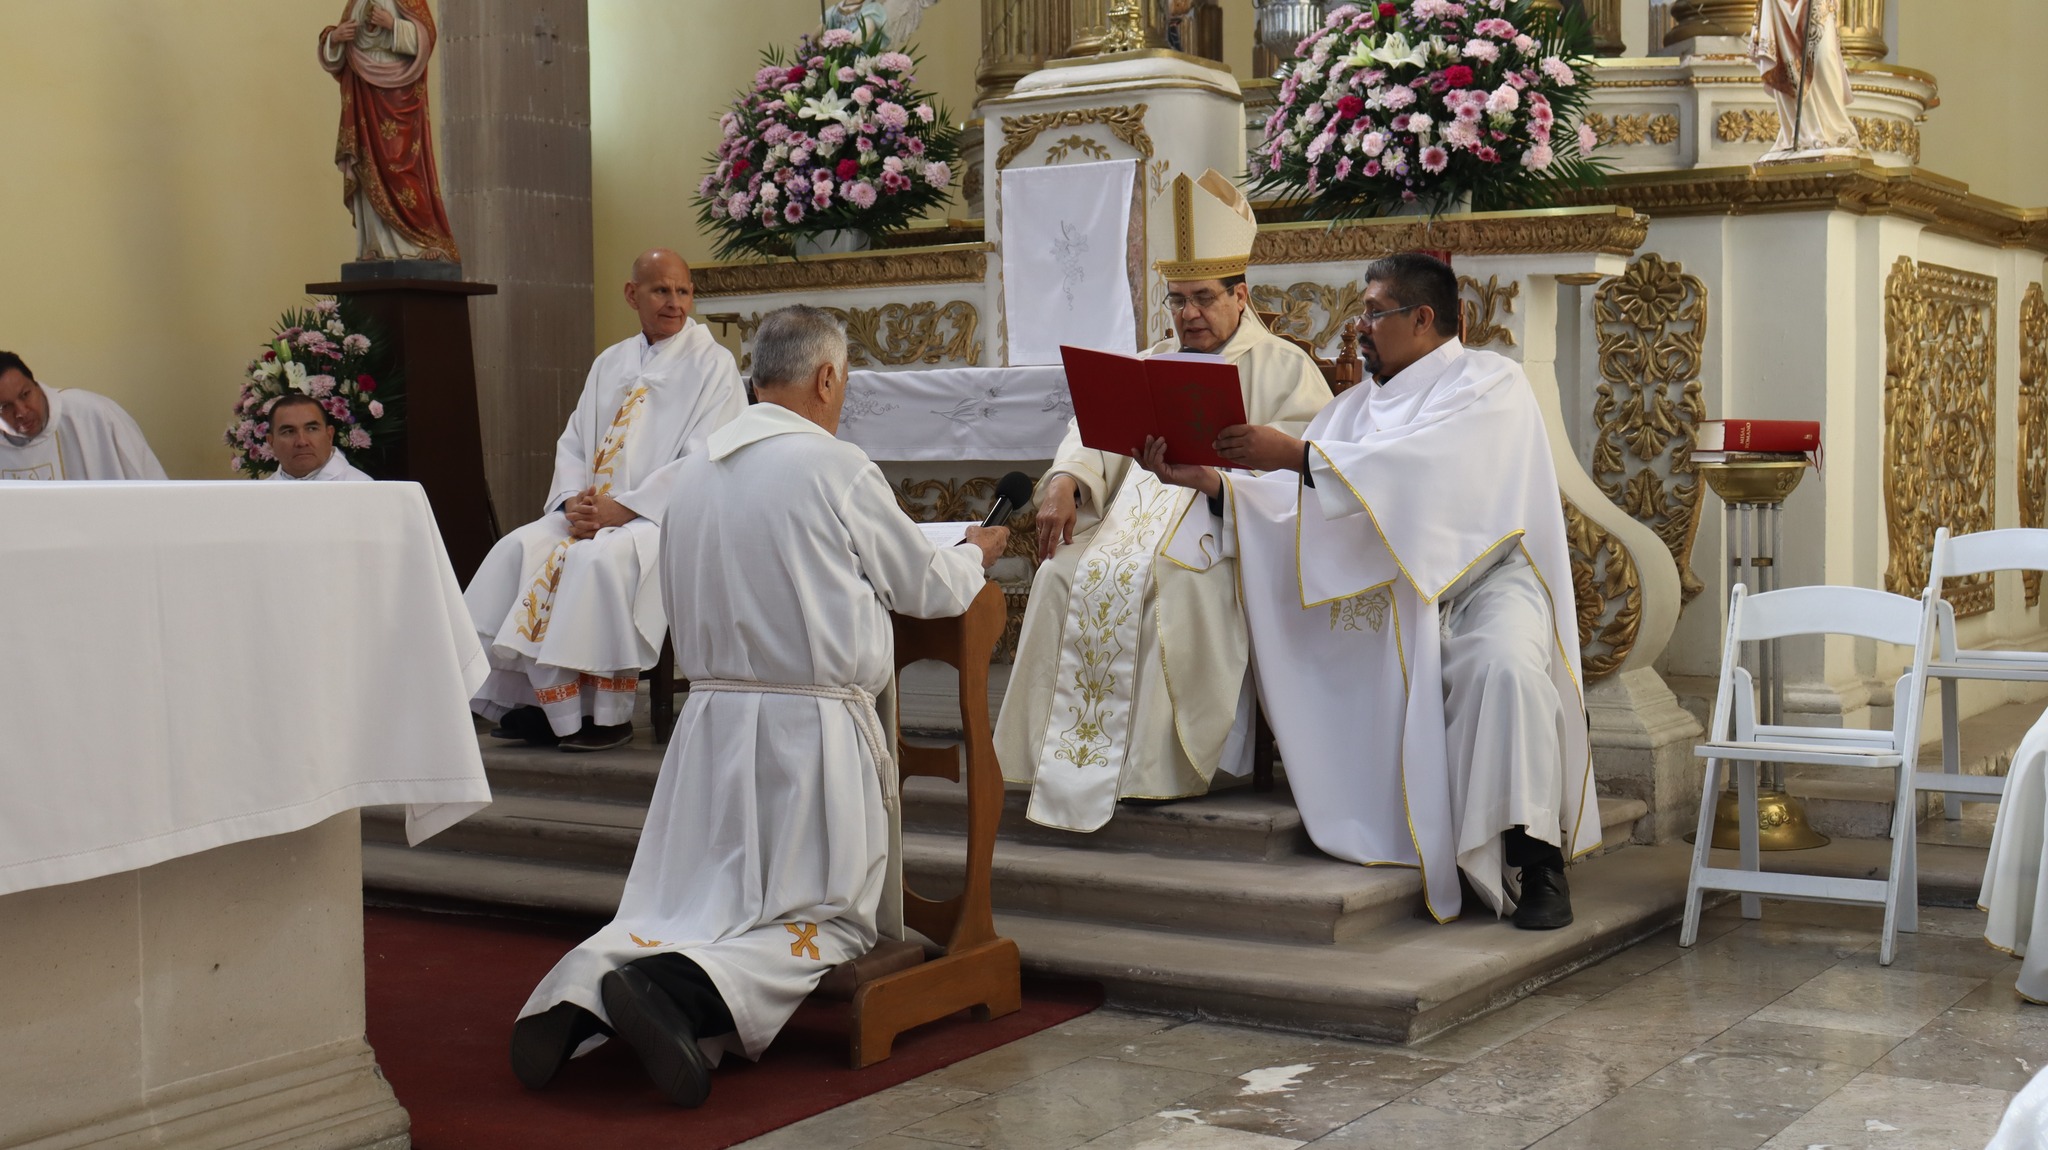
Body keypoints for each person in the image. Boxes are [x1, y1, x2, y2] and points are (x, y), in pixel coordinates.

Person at [509, 305, 1005, 1106]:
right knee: (831, 915)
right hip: (808, 734)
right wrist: (974, 554)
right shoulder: (835, 466)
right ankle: (677, 996)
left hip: (710, 728)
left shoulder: (694, 472)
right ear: (827, 377)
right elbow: (925, 585)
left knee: (692, 903)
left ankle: (579, 990)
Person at [1140, 252, 1597, 930]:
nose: (1358, 327)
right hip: (1393, 599)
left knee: (1504, 671)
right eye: (1362, 312)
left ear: (1423, 317)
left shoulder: (1490, 383)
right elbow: (1292, 508)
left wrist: (1295, 455)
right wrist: (1212, 483)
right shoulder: (1348, 411)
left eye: (1375, 313)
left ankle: (1536, 861)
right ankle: (1421, 830)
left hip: (1486, 585)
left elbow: (1426, 472)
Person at [994, 169, 1331, 832]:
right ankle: (1046, 759)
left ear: (1240, 295)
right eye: (1177, 300)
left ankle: (1149, 768)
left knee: (1169, 581)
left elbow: (1308, 478)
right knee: (1060, 576)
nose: (1188, 315)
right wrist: (1064, 482)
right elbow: (1092, 435)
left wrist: (1217, 484)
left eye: (1203, 298)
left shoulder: (1285, 368)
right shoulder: (1149, 359)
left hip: (1222, 534)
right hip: (1128, 522)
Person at [464, 250, 746, 752]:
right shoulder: (610, 362)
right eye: (661, 290)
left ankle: (608, 715)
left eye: (683, 291)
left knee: (595, 564)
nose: (675, 302)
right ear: (632, 294)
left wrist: (627, 507)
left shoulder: (714, 365)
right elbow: (574, 441)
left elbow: (706, 456)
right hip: (593, 512)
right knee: (516, 549)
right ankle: (540, 704)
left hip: (661, 518)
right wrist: (571, 500)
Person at [319, 0, 461, 263]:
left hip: (399, 93)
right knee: (367, 165)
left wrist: (393, 25)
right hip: (364, 92)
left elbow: (426, 38)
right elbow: (338, 56)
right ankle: (375, 243)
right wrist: (335, 38)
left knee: (402, 165)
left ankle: (420, 241)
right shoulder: (356, 2)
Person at [0, 352, 166, 481]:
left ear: (36, 385)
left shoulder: (97, 415)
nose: (21, 412)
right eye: (5, 406)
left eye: (25, 395)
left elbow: (151, 485)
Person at [263, 393, 372, 482]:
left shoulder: (362, 488)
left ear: (329, 435)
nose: (302, 442)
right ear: (271, 442)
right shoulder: (258, 495)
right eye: (289, 431)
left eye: (311, 429)